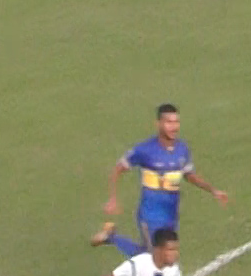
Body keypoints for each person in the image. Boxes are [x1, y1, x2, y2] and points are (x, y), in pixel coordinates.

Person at [93, 103, 229, 258]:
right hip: (150, 213)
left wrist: (213, 190)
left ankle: (111, 236)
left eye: (176, 122)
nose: (174, 127)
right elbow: (118, 169)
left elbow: (189, 174)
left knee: (157, 255)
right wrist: (113, 199)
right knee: (153, 258)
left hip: (171, 212)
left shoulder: (182, 149)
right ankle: (112, 238)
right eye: (169, 122)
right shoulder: (144, 150)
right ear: (158, 124)